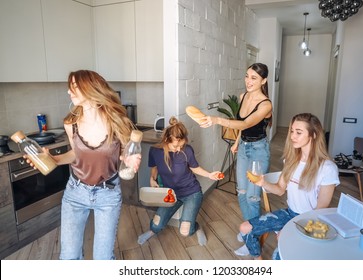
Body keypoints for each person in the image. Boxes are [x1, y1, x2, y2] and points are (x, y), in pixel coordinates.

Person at [26, 70, 141, 259]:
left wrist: (129, 160)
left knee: (102, 259)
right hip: (75, 192)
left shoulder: (118, 122)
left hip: (108, 194)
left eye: (74, 86)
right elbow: (75, 154)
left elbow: (124, 154)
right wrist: (55, 159)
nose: (69, 92)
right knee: (69, 257)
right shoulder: (71, 123)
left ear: (90, 88)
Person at [234, 113, 340, 259]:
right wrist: (263, 183)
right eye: (292, 131)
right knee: (245, 228)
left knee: (278, 257)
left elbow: (321, 209)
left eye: (298, 132)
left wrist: (292, 229)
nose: (292, 136)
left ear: (314, 135)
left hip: (309, 221)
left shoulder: (327, 168)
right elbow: (279, 190)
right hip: (289, 214)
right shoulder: (291, 160)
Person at [200, 63, 273, 222]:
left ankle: (251, 237)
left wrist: (218, 120)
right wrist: (236, 142)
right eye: (247, 76)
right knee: (241, 192)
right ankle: (250, 230)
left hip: (259, 151)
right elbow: (243, 127)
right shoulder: (243, 96)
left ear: (263, 81)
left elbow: (247, 123)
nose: (248, 81)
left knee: (252, 197)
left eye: (254, 78)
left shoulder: (266, 105)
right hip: (243, 148)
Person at [137, 117, 223, 246]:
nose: (178, 149)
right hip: (171, 194)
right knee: (156, 224)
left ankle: (196, 227)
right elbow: (154, 167)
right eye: (176, 146)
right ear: (166, 140)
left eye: (181, 145)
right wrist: (152, 178)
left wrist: (210, 175)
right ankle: (152, 231)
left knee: (185, 231)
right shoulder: (155, 150)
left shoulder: (187, 150)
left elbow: (194, 168)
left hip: (191, 192)